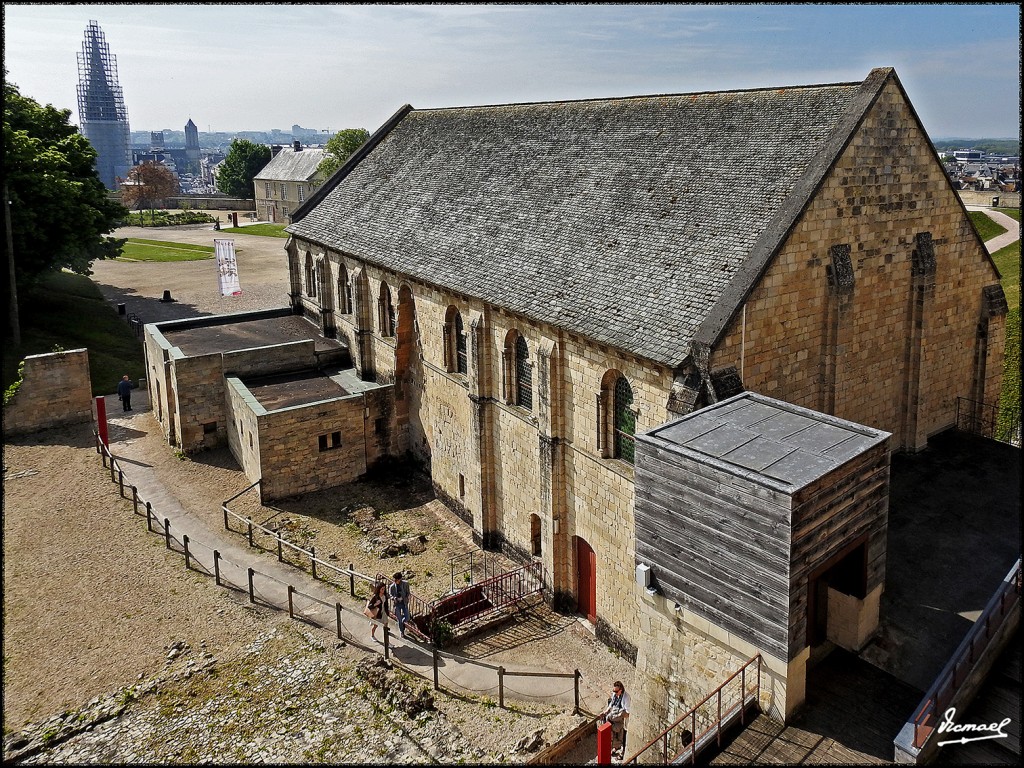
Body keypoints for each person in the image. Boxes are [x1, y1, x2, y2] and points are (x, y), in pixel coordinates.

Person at [600, 680, 631, 756]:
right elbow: (611, 705)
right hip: (614, 713)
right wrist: (605, 711)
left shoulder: (626, 698)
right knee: (613, 731)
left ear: (621, 690)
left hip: (621, 715)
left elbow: (627, 712)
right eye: (614, 691)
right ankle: (615, 746)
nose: (614, 693)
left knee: (618, 731)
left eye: (616, 691)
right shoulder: (615, 694)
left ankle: (620, 749)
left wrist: (619, 716)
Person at [388, 571, 411, 638]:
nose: (395, 581)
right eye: (394, 580)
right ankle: (401, 631)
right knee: (399, 619)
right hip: (397, 604)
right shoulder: (392, 587)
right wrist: (395, 598)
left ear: (400, 579)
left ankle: (402, 623)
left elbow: (408, 592)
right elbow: (390, 595)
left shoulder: (406, 584)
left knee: (407, 617)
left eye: (396, 580)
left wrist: (407, 597)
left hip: (404, 603)